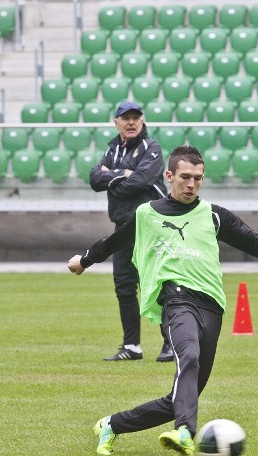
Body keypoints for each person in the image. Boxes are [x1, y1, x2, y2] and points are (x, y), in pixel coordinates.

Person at [69, 145, 258, 456]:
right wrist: (85, 260)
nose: (191, 184)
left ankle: (111, 425)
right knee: (189, 357)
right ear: (169, 176)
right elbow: (113, 242)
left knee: (182, 396)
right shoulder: (147, 214)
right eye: (185, 177)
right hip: (175, 301)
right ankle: (186, 432)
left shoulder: (213, 215)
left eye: (197, 178)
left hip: (212, 306)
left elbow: (256, 241)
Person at [89, 101, 173, 363]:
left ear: (142, 120)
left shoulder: (152, 148)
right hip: (123, 227)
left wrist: (112, 179)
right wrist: (122, 174)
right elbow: (94, 179)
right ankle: (132, 346)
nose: (131, 122)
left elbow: (140, 182)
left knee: (158, 286)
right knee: (124, 287)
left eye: (135, 117)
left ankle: (170, 344)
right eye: (125, 118)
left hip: (150, 226)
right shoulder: (112, 149)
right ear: (116, 123)